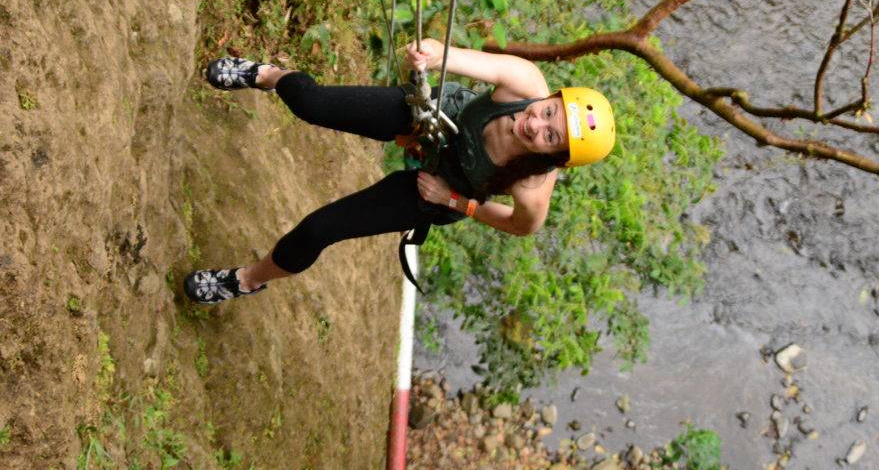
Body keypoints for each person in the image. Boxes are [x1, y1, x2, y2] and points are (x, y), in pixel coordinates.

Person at [183, 39, 615, 304]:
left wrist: (453, 202)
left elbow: (521, 227)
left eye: (550, 136)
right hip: (431, 116)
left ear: (554, 158)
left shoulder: (531, 187)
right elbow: (449, 54)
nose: (536, 124)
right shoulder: (524, 82)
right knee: (310, 104)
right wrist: (425, 56)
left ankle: (244, 281)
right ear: (552, 96)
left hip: (441, 188)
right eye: (549, 111)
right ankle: (266, 75)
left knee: (319, 231)